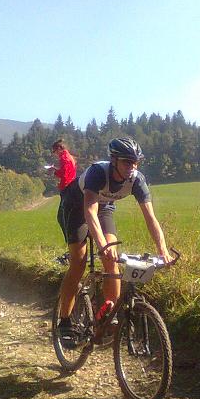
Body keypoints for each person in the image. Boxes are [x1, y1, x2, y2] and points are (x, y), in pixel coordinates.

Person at [56, 136, 171, 347]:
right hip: (75, 207)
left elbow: (150, 217)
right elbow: (89, 211)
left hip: (105, 207)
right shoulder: (98, 173)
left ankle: (109, 316)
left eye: (136, 162)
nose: (132, 167)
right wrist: (101, 246)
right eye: (127, 162)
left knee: (114, 259)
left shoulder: (137, 180)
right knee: (79, 261)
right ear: (114, 160)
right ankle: (64, 320)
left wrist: (162, 249)